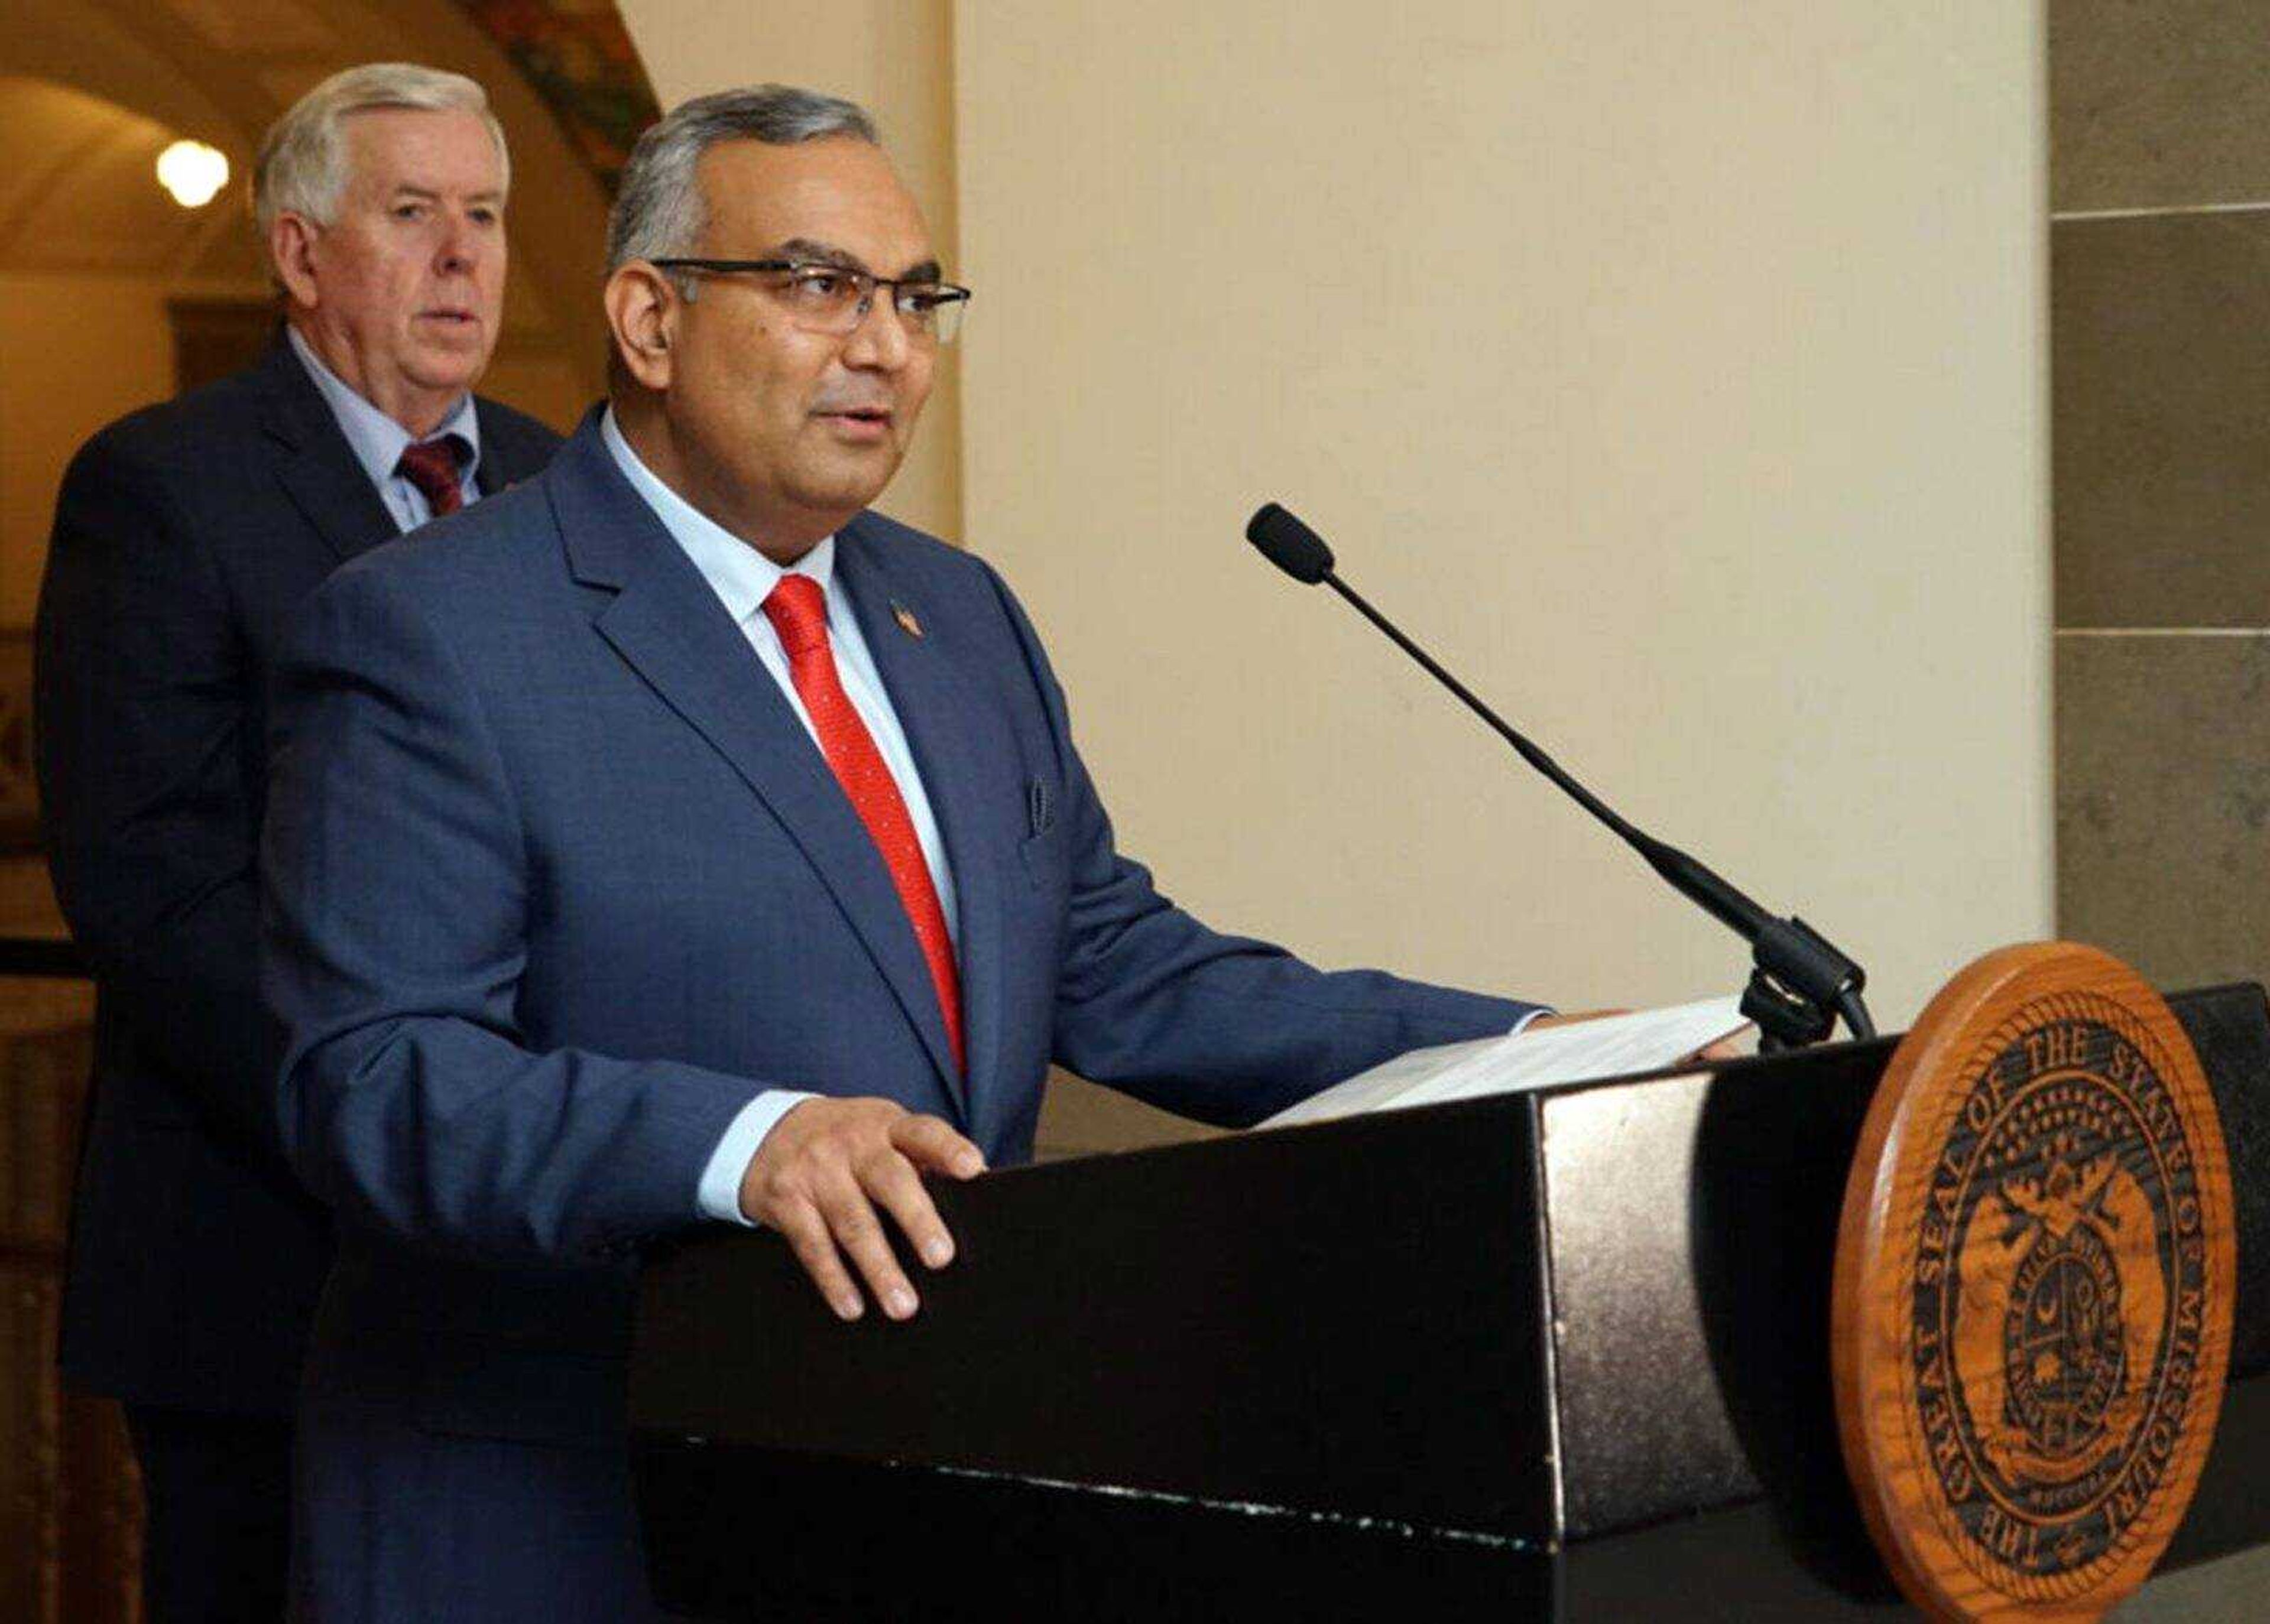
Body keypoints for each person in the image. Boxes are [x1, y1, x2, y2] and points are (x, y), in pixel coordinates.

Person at [260, 85, 1548, 1620]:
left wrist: (1526, 1051)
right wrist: (751, 1145)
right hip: (563, 1512)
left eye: (914, 297)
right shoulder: (436, 629)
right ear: (650, 319)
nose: (885, 346)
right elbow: (376, 1077)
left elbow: (1114, 965)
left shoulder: (960, 617)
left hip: (898, 1496)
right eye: (817, 286)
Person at [34, 62, 559, 1622]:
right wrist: (408, 1109)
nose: (466, 253)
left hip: (540, 1251)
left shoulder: (567, 481)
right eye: (414, 214)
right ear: (300, 250)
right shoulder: (162, 486)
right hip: (264, 1254)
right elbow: (152, 881)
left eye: (488, 213)